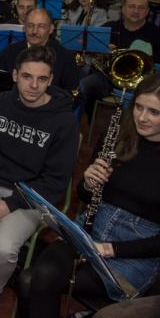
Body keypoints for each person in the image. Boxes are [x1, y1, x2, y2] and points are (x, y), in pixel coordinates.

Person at [0, 45, 79, 318]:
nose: (33, 85)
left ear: (51, 80)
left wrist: (9, 204)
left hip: (32, 196)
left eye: (42, 79)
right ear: (14, 75)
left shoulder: (64, 121)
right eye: (26, 76)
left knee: (4, 248)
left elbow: (55, 182)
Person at [18, 74, 160, 318]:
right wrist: (89, 182)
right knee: (32, 278)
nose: (142, 117)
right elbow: (84, 195)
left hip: (134, 254)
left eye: (154, 112)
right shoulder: (117, 136)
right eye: (138, 107)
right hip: (90, 231)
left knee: (35, 281)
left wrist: (110, 249)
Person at [79, 0, 160, 122]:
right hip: (107, 79)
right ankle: (87, 124)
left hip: (139, 83)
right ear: (123, 9)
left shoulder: (156, 34)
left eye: (141, 8)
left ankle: (130, 129)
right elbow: (91, 52)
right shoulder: (109, 27)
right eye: (132, 7)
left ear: (147, 12)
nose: (136, 11)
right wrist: (102, 52)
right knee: (85, 85)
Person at [0, 8, 80, 92]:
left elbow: (71, 93)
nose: (34, 31)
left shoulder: (65, 57)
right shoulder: (10, 51)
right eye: (30, 25)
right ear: (24, 27)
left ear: (51, 29)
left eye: (41, 26)